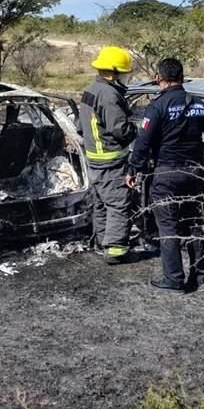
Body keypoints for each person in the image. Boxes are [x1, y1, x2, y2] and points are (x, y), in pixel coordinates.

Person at [127, 58, 204, 292]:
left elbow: (143, 142)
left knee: (168, 227)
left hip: (167, 175)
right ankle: (200, 276)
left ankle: (174, 279)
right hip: (194, 174)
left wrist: (134, 169)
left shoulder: (158, 106)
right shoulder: (200, 104)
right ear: (182, 77)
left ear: (158, 78)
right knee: (193, 225)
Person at [80, 46, 139, 264]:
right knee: (118, 203)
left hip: (94, 158)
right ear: (113, 72)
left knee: (102, 202)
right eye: (124, 73)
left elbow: (81, 126)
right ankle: (116, 250)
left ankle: (102, 241)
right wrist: (137, 130)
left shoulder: (91, 89)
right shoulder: (109, 95)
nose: (126, 77)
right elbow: (120, 130)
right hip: (111, 158)